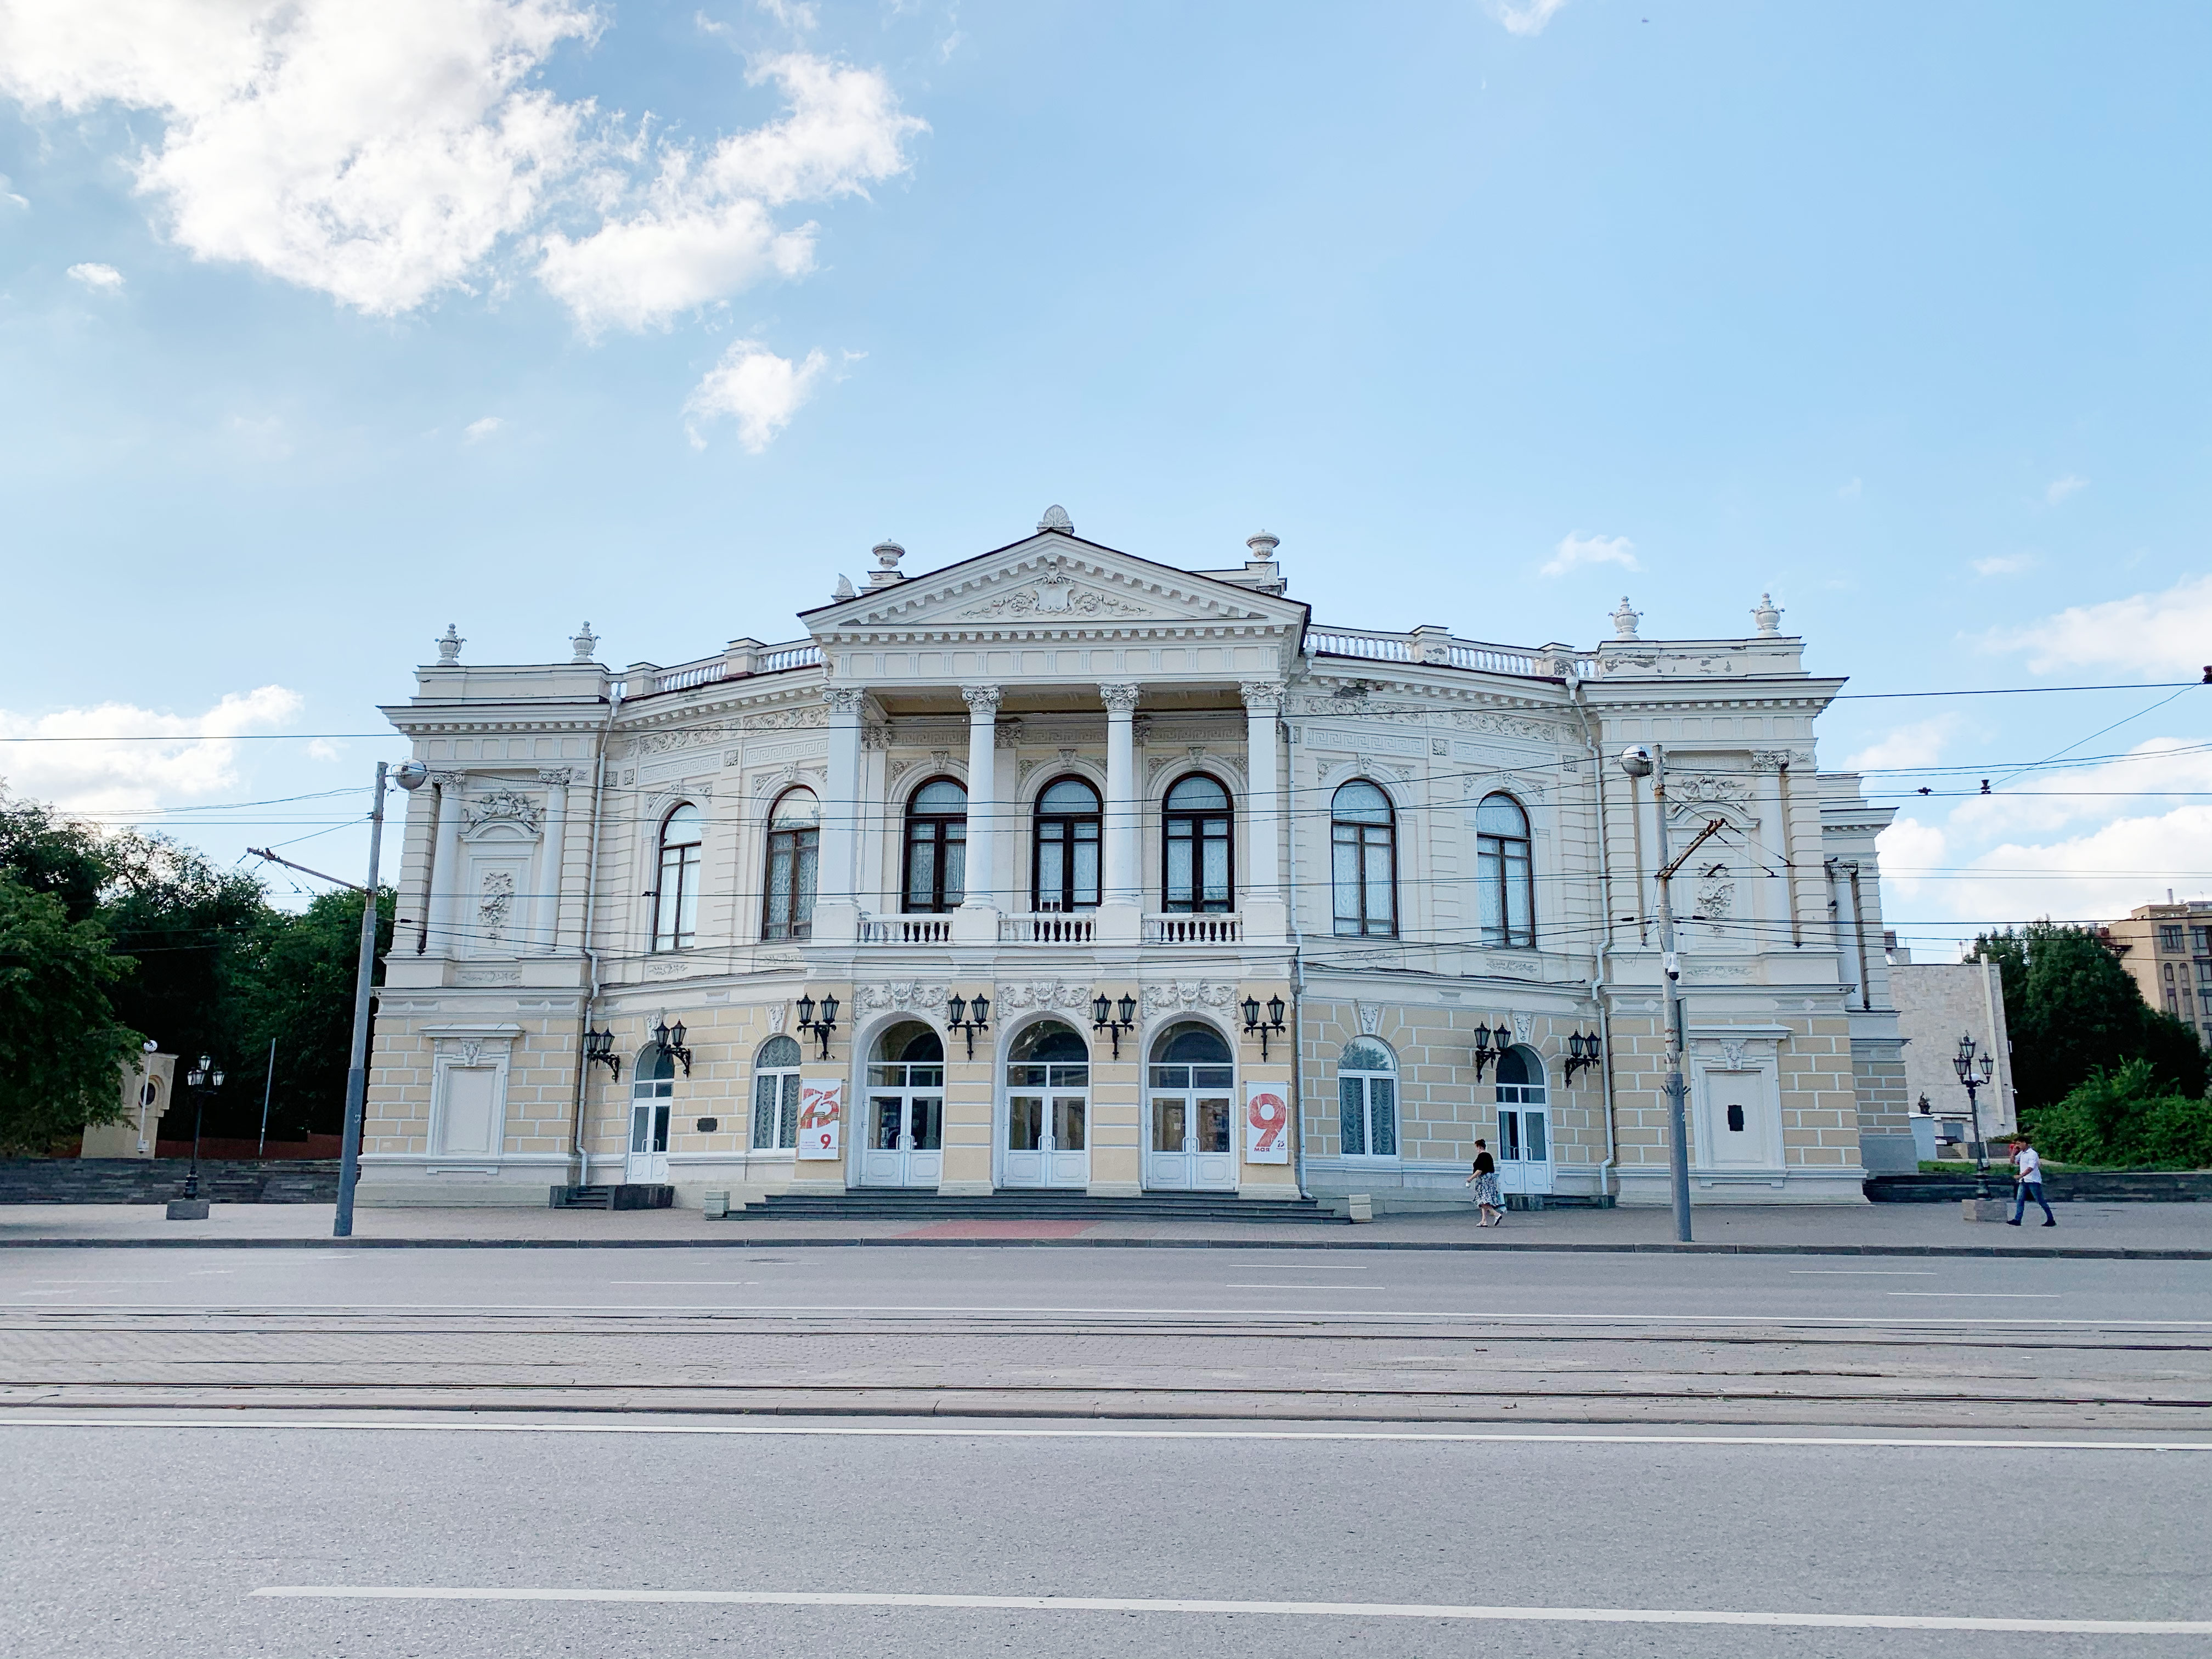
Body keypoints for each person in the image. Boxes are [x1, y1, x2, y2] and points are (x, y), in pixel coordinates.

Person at [2006, 1134, 2056, 1227]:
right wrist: (2013, 1153)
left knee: (2040, 1201)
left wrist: (2021, 1175)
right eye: (2016, 1144)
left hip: (2033, 1181)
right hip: (2024, 1181)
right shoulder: (2022, 1153)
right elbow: (2013, 1162)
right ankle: (2017, 1219)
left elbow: (2031, 1168)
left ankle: (2051, 1219)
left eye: (2019, 1143)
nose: (2018, 1146)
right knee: (2020, 1200)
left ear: (2025, 1143)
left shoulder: (2032, 1154)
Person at [1466, 1138, 1505, 1227]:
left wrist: (1470, 1179)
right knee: (1484, 1200)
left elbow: (1480, 1170)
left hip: (1484, 1180)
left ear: (1479, 1147)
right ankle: (1484, 1221)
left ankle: (1496, 1214)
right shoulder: (1489, 1156)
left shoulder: (1482, 1156)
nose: (1476, 1150)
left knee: (1483, 1200)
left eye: (1476, 1148)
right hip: (1490, 1180)